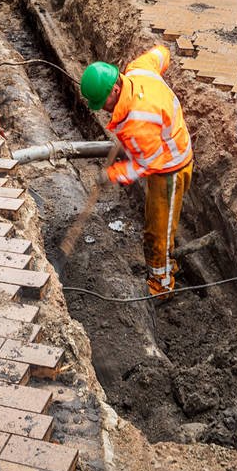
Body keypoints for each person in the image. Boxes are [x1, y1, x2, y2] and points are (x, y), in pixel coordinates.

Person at [81, 46, 193, 297]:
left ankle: (161, 285)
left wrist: (111, 175)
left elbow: (146, 164)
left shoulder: (137, 123)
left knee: (158, 233)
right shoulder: (138, 70)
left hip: (169, 169)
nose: (102, 109)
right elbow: (162, 53)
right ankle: (167, 268)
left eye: (103, 103)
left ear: (116, 90)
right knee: (159, 225)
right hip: (167, 147)